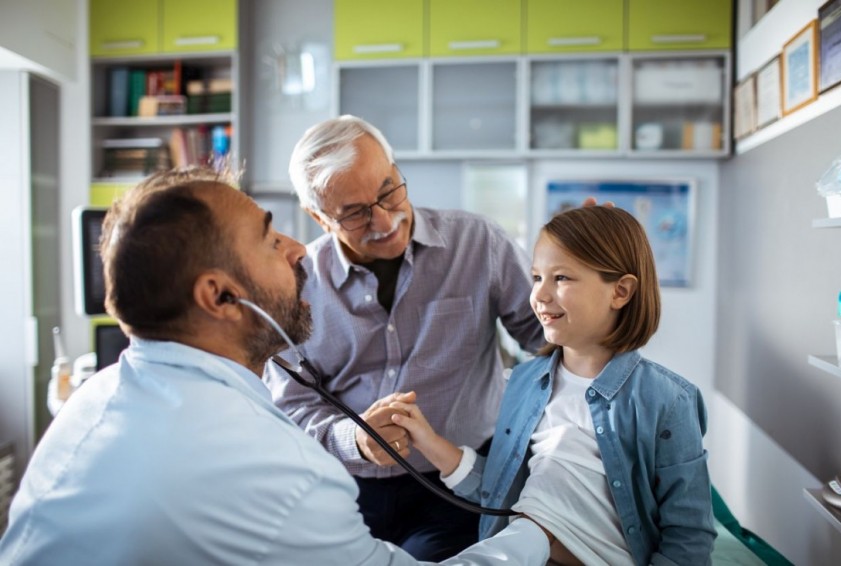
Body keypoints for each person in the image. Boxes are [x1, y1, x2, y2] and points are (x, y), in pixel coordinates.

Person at [0, 166, 554, 565]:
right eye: (270, 239)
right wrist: (535, 531)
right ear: (219, 297)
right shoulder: (273, 471)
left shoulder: (92, 400)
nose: (297, 250)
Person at [264, 115, 545, 560]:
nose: (385, 219)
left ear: (395, 168)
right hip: (345, 489)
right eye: (355, 212)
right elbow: (290, 406)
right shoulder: (297, 284)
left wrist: (584, 284)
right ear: (318, 217)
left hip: (460, 478)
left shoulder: (478, 243)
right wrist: (352, 440)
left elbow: (546, 337)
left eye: (388, 189)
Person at [390, 205, 717, 565]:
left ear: (620, 292)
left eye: (561, 278)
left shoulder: (667, 401)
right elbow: (499, 491)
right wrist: (427, 439)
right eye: (536, 277)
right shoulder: (523, 383)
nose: (540, 295)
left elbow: (689, 535)